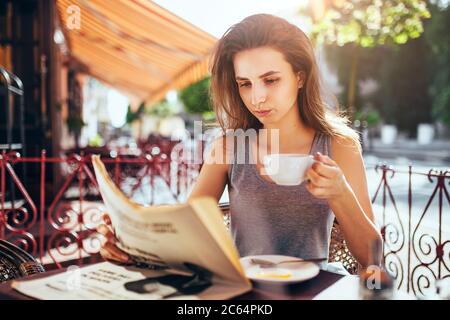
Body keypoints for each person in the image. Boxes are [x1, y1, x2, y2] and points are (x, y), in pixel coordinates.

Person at [97, 14, 382, 268]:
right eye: (245, 83)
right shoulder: (229, 146)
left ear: (299, 77)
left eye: (271, 80)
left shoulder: (339, 146)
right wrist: (127, 240)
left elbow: (372, 257)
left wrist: (340, 193)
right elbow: (186, 228)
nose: (257, 97)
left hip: (312, 291)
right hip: (242, 293)